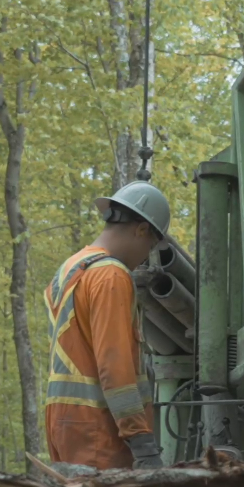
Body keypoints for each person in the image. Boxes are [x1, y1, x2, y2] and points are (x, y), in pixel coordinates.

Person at [43, 180, 172, 469]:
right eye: (149, 246)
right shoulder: (110, 275)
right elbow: (114, 364)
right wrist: (140, 438)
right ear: (141, 230)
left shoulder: (69, 270)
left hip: (63, 420)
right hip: (99, 427)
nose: (143, 259)